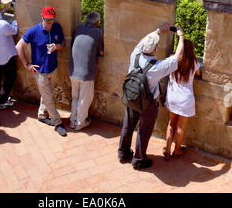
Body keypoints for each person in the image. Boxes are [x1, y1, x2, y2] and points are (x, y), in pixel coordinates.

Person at [118, 23, 184, 170]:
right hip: (148, 104)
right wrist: (181, 37)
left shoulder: (135, 55)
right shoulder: (157, 67)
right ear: (155, 49)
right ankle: (139, 159)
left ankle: (123, 152)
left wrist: (158, 31)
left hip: (132, 97)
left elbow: (142, 42)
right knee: (144, 130)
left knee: (128, 126)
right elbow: (178, 57)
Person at [16, 6, 67, 137]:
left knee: (48, 94)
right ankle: (58, 123)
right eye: (47, 20)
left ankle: (41, 114)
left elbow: (63, 43)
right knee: (49, 98)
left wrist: (58, 47)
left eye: (51, 20)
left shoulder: (57, 27)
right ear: (41, 17)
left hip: (53, 68)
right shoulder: (33, 31)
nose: (49, 23)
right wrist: (27, 64)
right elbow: (19, 46)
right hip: (40, 72)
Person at [163, 39, 201, 159]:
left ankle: (167, 150)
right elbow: (199, 74)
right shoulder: (194, 62)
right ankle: (177, 150)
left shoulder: (173, 59)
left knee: (171, 124)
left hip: (172, 97)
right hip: (185, 99)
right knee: (181, 127)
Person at [69, 12, 104, 131]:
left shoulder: (79, 28)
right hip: (86, 73)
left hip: (73, 70)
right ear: (97, 22)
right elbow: (101, 53)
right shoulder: (98, 32)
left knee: (75, 97)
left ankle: (73, 120)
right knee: (85, 98)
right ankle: (80, 122)